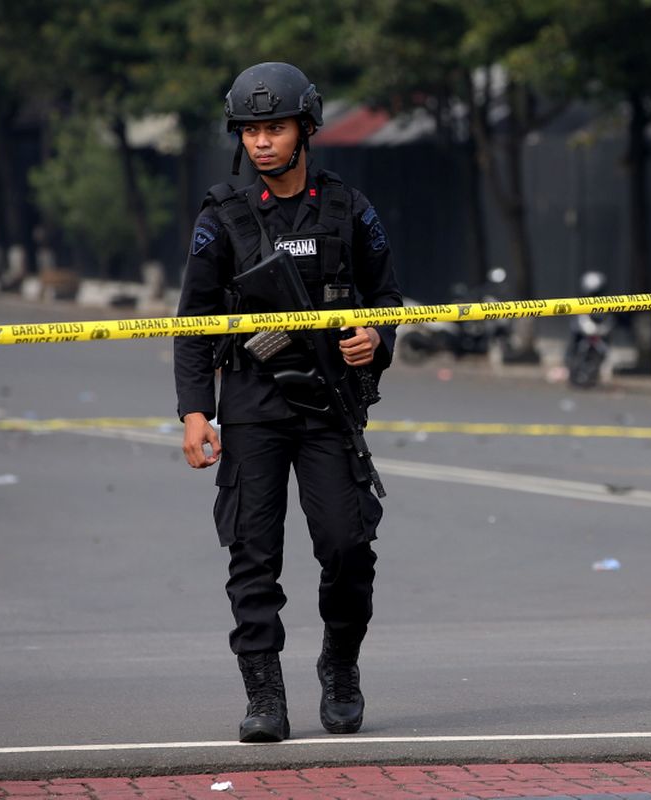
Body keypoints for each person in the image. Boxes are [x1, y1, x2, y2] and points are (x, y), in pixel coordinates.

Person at [174, 62, 401, 742]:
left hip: (329, 407)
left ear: (306, 128)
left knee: (347, 545)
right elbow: (194, 323)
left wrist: (375, 336)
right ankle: (264, 694)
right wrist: (194, 411)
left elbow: (388, 297)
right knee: (253, 552)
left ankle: (340, 664)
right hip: (250, 403)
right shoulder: (222, 221)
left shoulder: (349, 208)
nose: (262, 143)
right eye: (250, 131)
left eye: (274, 128)